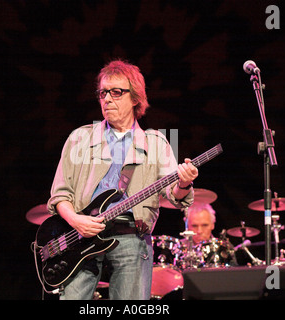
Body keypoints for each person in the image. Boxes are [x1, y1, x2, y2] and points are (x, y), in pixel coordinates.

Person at [47, 59, 199, 300]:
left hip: (131, 235)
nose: (107, 99)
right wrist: (76, 220)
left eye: (116, 92)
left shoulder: (156, 143)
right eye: (102, 92)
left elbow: (175, 196)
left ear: (135, 98)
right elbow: (59, 195)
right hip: (82, 236)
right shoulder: (79, 138)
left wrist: (184, 182)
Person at [182, 203, 238, 267]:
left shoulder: (224, 247)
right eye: (194, 226)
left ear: (212, 225)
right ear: (187, 226)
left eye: (204, 225)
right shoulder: (178, 248)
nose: (199, 231)